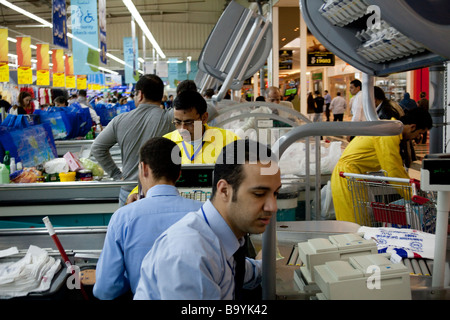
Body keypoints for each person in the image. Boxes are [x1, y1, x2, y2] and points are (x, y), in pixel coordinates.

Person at [134, 139, 282, 300]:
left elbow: (239, 271)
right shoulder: (190, 255)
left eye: (275, 193)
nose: (272, 207)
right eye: (259, 194)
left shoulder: (222, 241)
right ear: (224, 190)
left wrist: (263, 265)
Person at [93, 137, 203, 300]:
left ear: (143, 169)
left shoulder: (123, 217)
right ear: (179, 174)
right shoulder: (203, 214)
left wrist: (131, 277)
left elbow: (105, 289)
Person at [330, 107, 433, 223]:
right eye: (419, 133)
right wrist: (412, 196)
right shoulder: (389, 133)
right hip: (346, 177)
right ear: (413, 127)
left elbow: (395, 165)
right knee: (352, 225)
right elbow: (393, 169)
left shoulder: (390, 128)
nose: (416, 138)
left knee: (361, 221)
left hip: (353, 176)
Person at [91, 74, 175, 207]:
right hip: (160, 192)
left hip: (129, 192)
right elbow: (209, 110)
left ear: (140, 94)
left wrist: (116, 175)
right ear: (161, 95)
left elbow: (97, 148)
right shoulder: (170, 118)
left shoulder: (119, 121)